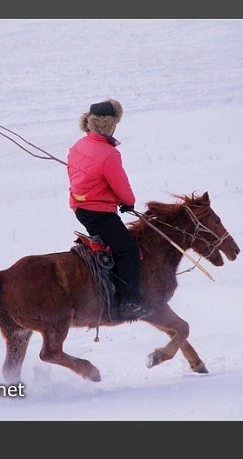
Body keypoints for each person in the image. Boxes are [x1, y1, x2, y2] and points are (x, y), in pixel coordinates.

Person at [67, 98, 153, 321]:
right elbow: (121, 185)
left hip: (80, 207)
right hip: (99, 213)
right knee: (128, 250)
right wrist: (128, 202)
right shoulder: (109, 154)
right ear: (111, 125)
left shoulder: (78, 145)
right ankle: (129, 303)